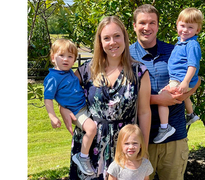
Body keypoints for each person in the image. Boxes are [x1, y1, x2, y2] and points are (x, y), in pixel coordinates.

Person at [59, 16, 151, 179]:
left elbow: (144, 112)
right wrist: (63, 108)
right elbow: (63, 91)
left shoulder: (139, 72)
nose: (112, 42)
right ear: (100, 42)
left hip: (124, 146)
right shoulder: (87, 70)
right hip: (89, 148)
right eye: (106, 38)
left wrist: (143, 149)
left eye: (117, 36)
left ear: (124, 37)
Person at [129, 4, 201, 180]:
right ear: (134, 26)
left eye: (152, 23)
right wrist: (158, 99)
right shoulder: (125, 55)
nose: (147, 28)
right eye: (142, 23)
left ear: (158, 25)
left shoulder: (174, 50)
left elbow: (196, 79)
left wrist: (183, 95)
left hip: (175, 139)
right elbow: (120, 95)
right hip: (139, 140)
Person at [43, 38, 97, 175]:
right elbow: (48, 98)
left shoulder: (69, 74)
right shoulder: (52, 78)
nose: (65, 59)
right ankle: (82, 157)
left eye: (70, 56)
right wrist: (53, 116)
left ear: (74, 60)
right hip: (75, 112)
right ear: (53, 57)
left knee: (95, 131)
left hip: (84, 107)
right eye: (61, 55)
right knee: (91, 129)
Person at [154, 7, 203, 143]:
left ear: (197, 30)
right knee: (183, 96)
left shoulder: (192, 44)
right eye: (182, 25)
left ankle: (165, 128)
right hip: (179, 78)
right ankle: (191, 114)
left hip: (181, 79)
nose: (185, 30)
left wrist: (186, 82)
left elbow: (193, 65)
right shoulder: (180, 42)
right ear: (177, 25)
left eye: (190, 27)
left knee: (162, 98)